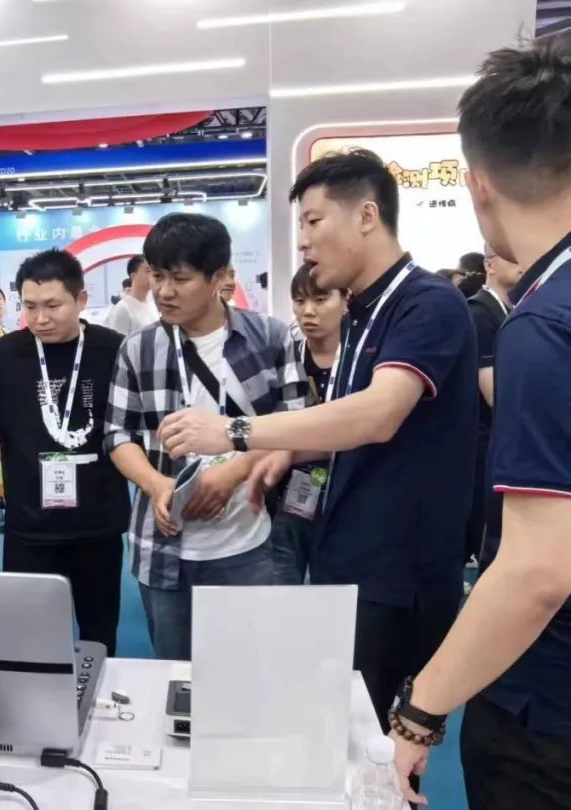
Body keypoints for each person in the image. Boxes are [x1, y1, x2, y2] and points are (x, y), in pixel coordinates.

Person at [157, 149, 478, 739]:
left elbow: (379, 414)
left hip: (397, 568)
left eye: (312, 221)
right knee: (338, 733)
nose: (303, 241)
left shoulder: (426, 303)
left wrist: (235, 432)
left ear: (366, 216)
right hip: (349, 554)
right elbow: (342, 422)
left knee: (376, 745)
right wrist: (285, 449)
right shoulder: (360, 312)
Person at [389, 37, 571, 807]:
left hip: (546, 712)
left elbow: (538, 572)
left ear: (478, 183)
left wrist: (419, 712)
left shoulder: (545, 323)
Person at [104, 214, 305, 661]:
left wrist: (234, 473)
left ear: (218, 278)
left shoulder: (270, 338)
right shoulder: (137, 348)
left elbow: (296, 421)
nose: (164, 291)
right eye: (157, 276)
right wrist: (157, 484)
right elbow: (118, 434)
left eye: (180, 278)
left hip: (249, 544)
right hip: (163, 548)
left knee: (249, 668)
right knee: (175, 674)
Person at [0, 249, 130, 654]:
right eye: (30, 306)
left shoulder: (114, 349)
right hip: (30, 527)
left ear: (80, 300)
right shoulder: (4, 353)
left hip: (98, 522)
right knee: (30, 640)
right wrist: (10, 452)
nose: (40, 318)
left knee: (100, 632)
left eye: (52, 305)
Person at [268, 263, 346, 585]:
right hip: (289, 489)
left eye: (320, 299)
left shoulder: (363, 357)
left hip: (348, 489)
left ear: (345, 301)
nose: (308, 311)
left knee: (339, 590)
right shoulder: (284, 355)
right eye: (299, 301)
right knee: (282, 582)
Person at [463, 247, 521, 568]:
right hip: (484, 448)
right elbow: (493, 394)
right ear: (490, 265)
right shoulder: (480, 312)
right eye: (509, 257)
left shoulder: (510, 310)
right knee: (489, 541)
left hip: (501, 445)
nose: (520, 264)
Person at [103, 255, 158, 336]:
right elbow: (116, 341)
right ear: (133, 276)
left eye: (154, 271)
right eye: (148, 271)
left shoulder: (152, 304)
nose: (153, 275)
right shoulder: (123, 309)